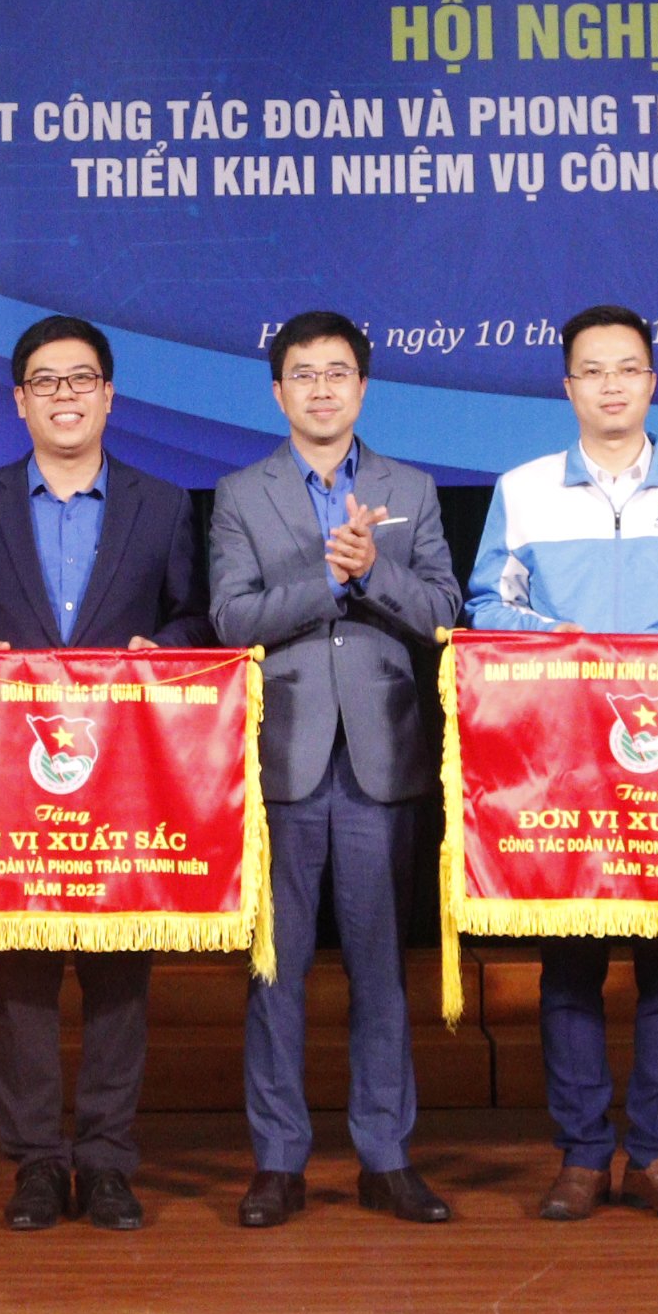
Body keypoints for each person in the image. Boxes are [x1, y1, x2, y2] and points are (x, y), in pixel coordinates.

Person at [466, 303, 658, 1223]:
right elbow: (487, 607)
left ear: (652, 381)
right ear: (568, 388)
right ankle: (581, 1155)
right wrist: (569, 642)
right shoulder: (523, 488)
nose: (611, 385)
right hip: (565, 772)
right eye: (593, 371)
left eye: (627, 368)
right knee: (569, 968)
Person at [0, 314, 213, 1233]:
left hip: (122, 780)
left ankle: (109, 1161)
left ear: (109, 396)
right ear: (19, 401)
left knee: (120, 976)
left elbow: (195, 619)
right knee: (20, 981)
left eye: (81, 379)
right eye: (45, 381)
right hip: (12, 785)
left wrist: (161, 649)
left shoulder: (162, 503)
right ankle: (37, 1166)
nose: (64, 396)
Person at [207, 312, 460, 1229]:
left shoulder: (410, 489)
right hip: (282, 758)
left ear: (363, 387)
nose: (321, 388)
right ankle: (278, 1162)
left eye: (338, 372)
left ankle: (385, 1158)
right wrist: (330, 580)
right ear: (278, 392)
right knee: (275, 973)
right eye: (304, 374)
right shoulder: (241, 493)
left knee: (380, 970)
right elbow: (230, 618)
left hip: (382, 759)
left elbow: (444, 612)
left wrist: (375, 574)